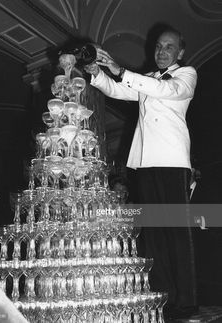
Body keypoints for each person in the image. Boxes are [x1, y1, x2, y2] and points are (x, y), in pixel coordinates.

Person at [85, 27, 198, 319]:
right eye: (159, 46)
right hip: (145, 164)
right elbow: (116, 89)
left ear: (180, 53)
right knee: (154, 235)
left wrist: (120, 69)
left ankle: (186, 301)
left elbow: (166, 90)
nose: (162, 51)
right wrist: (96, 73)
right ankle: (164, 298)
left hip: (172, 163)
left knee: (176, 232)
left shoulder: (186, 75)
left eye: (169, 47)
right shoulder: (148, 79)